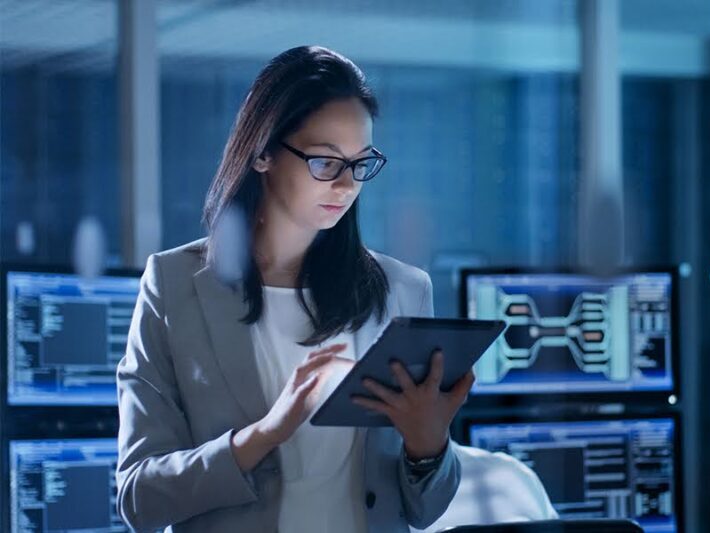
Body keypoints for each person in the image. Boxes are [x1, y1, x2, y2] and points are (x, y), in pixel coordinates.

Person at [115, 45, 473, 532]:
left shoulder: (403, 291)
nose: (346, 186)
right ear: (262, 152)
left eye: (360, 163)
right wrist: (262, 436)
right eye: (326, 163)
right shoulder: (174, 286)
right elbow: (139, 499)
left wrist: (428, 447)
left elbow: (425, 511)